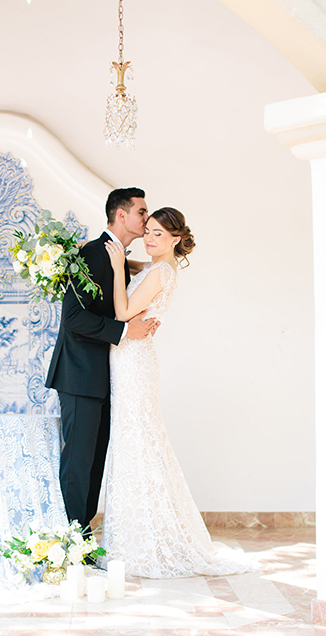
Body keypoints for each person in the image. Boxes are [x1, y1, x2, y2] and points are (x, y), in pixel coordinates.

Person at [102, 207, 254, 578]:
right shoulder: (158, 269)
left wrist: (119, 264)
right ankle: (139, 534)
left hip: (134, 362)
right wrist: (131, 266)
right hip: (132, 360)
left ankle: (142, 542)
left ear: (175, 239)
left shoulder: (159, 272)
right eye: (148, 231)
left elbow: (122, 312)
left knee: (136, 443)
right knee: (135, 441)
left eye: (157, 234)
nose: (149, 238)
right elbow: (147, 272)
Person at [45, 188, 158, 533]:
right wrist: (126, 331)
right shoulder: (93, 253)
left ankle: (81, 536)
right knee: (79, 463)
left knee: (94, 463)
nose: (146, 219)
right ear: (121, 215)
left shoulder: (117, 257)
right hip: (80, 376)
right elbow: (74, 319)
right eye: (141, 212)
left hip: (107, 377)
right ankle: (68, 541)